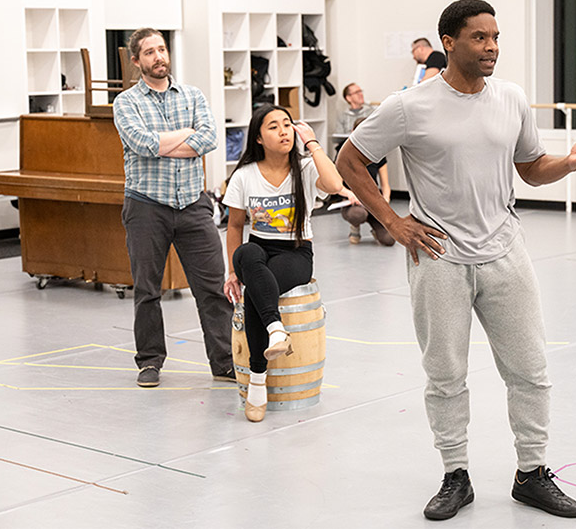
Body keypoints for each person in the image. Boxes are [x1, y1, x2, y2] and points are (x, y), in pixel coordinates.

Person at [337, 0, 576, 521]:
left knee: (531, 370)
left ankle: (531, 474)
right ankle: (455, 475)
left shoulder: (511, 98)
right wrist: (392, 221)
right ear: (450, 42)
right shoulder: (408, 106)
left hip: (505, 250)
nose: (492, 47)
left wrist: (571, 162)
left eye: (496, 37)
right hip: (439, 256)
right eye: (480, 37)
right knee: (445, 375)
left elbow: (532, 168)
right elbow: (350, 160)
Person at [113, 28, 234, 388]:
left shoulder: (193, 95)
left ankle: (224, 362)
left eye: (162, 49)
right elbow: (142, 144)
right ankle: (150, 361)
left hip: (193, 204)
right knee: (148, 290)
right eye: (149, 52)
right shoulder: (126, 103)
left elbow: (208, 138)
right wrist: (186, 134)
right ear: (136, 61)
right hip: (146, 206)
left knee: (212, 288)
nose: (158, 57)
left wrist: (166, 143)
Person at [222, 104, 343, 422]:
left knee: (255, 291)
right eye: (273, 126)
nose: (283, 131)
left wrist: (312, 143)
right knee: (246, 255)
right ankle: (276, 329)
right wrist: (232, 271)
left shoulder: (306, 168)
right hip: (259, 248)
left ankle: (257, 380)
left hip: (296, 252)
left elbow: (334, 185)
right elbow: (235, 226)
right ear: (258, 138)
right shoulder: (244, 175)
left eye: (287, 124)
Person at [338, 117, 394, 246]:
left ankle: (375, 227)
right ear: (353, 132)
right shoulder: (344, 152)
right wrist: (349, 194)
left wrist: (385, 201)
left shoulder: (378, 153)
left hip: (373, 200)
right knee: (358, 214)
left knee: (389, 240)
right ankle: (355, 227)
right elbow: (337, 185)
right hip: (353, 203)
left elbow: (385, 186)